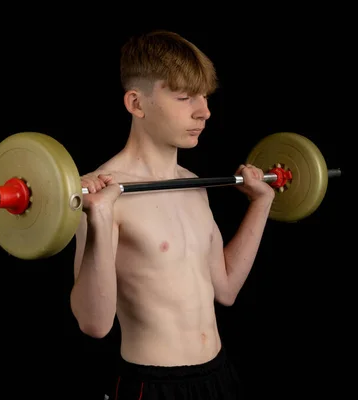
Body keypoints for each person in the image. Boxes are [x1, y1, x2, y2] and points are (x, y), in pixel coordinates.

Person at [70, 29, 275, 400]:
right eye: (184, 97)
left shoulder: (194, 184)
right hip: (153, 385)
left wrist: (261, 204)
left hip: (219, 373)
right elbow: (95, 324)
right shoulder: (103, 193)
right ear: (136, 103)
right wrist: (98, 220)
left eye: (205, 97)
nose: (204, 112)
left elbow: (225, 288)